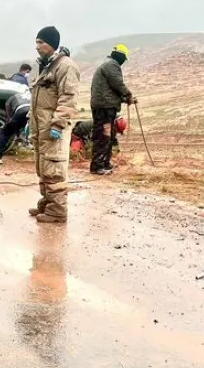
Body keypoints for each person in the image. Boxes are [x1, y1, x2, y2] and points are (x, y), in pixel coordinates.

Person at [29, 26, 80, 223]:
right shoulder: (47, 66)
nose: (37, 46)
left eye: (40, 42)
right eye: (36, 42)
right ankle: (48, 202)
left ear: (51, 43)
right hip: (41, 127)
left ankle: (57, 210)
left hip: (53, 128)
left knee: (53, 168)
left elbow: (68, 97)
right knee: (43, 167)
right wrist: (30, 120)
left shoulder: (66, 67)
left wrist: (58, 124)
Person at [89, 44, 134, 175]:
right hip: (104, 107)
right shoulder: (112, 65)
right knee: (103, 135)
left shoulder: (107, 64)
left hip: (105, 106)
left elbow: (111, 91)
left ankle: (104, 163)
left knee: (108, 136)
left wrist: (125, 99)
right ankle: (97, 166)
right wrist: (128, 95)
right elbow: (118, 84)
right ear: (121, 56)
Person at [0, 89, 31, 165]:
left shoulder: (10, 100)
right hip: (32, 111)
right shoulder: (29, 96)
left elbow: (10, 117)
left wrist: (11, 124)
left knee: (5, 132)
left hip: (20, 111)